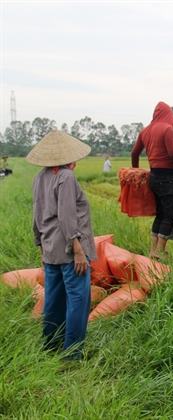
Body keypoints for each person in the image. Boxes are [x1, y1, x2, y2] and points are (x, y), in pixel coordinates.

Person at [27, 130, 96, 360]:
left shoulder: (40, 177)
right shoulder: (66, 176)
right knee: (78, 299)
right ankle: (72, 354)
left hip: (49, 248)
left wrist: (40, 244)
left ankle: (51, 345)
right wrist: (78, 249)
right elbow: (67, 216)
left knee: (54, 299)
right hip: (69, 249)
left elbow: (36, 214)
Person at [131, 101, 173, 259]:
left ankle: (153, 250)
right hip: (167, 178)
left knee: (160, 213)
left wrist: (137, 170)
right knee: (171, 213)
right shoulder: (167, 129)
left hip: (153, 177)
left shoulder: (145, 131)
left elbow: (134, 153)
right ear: (169, 115)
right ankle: (160, 251)